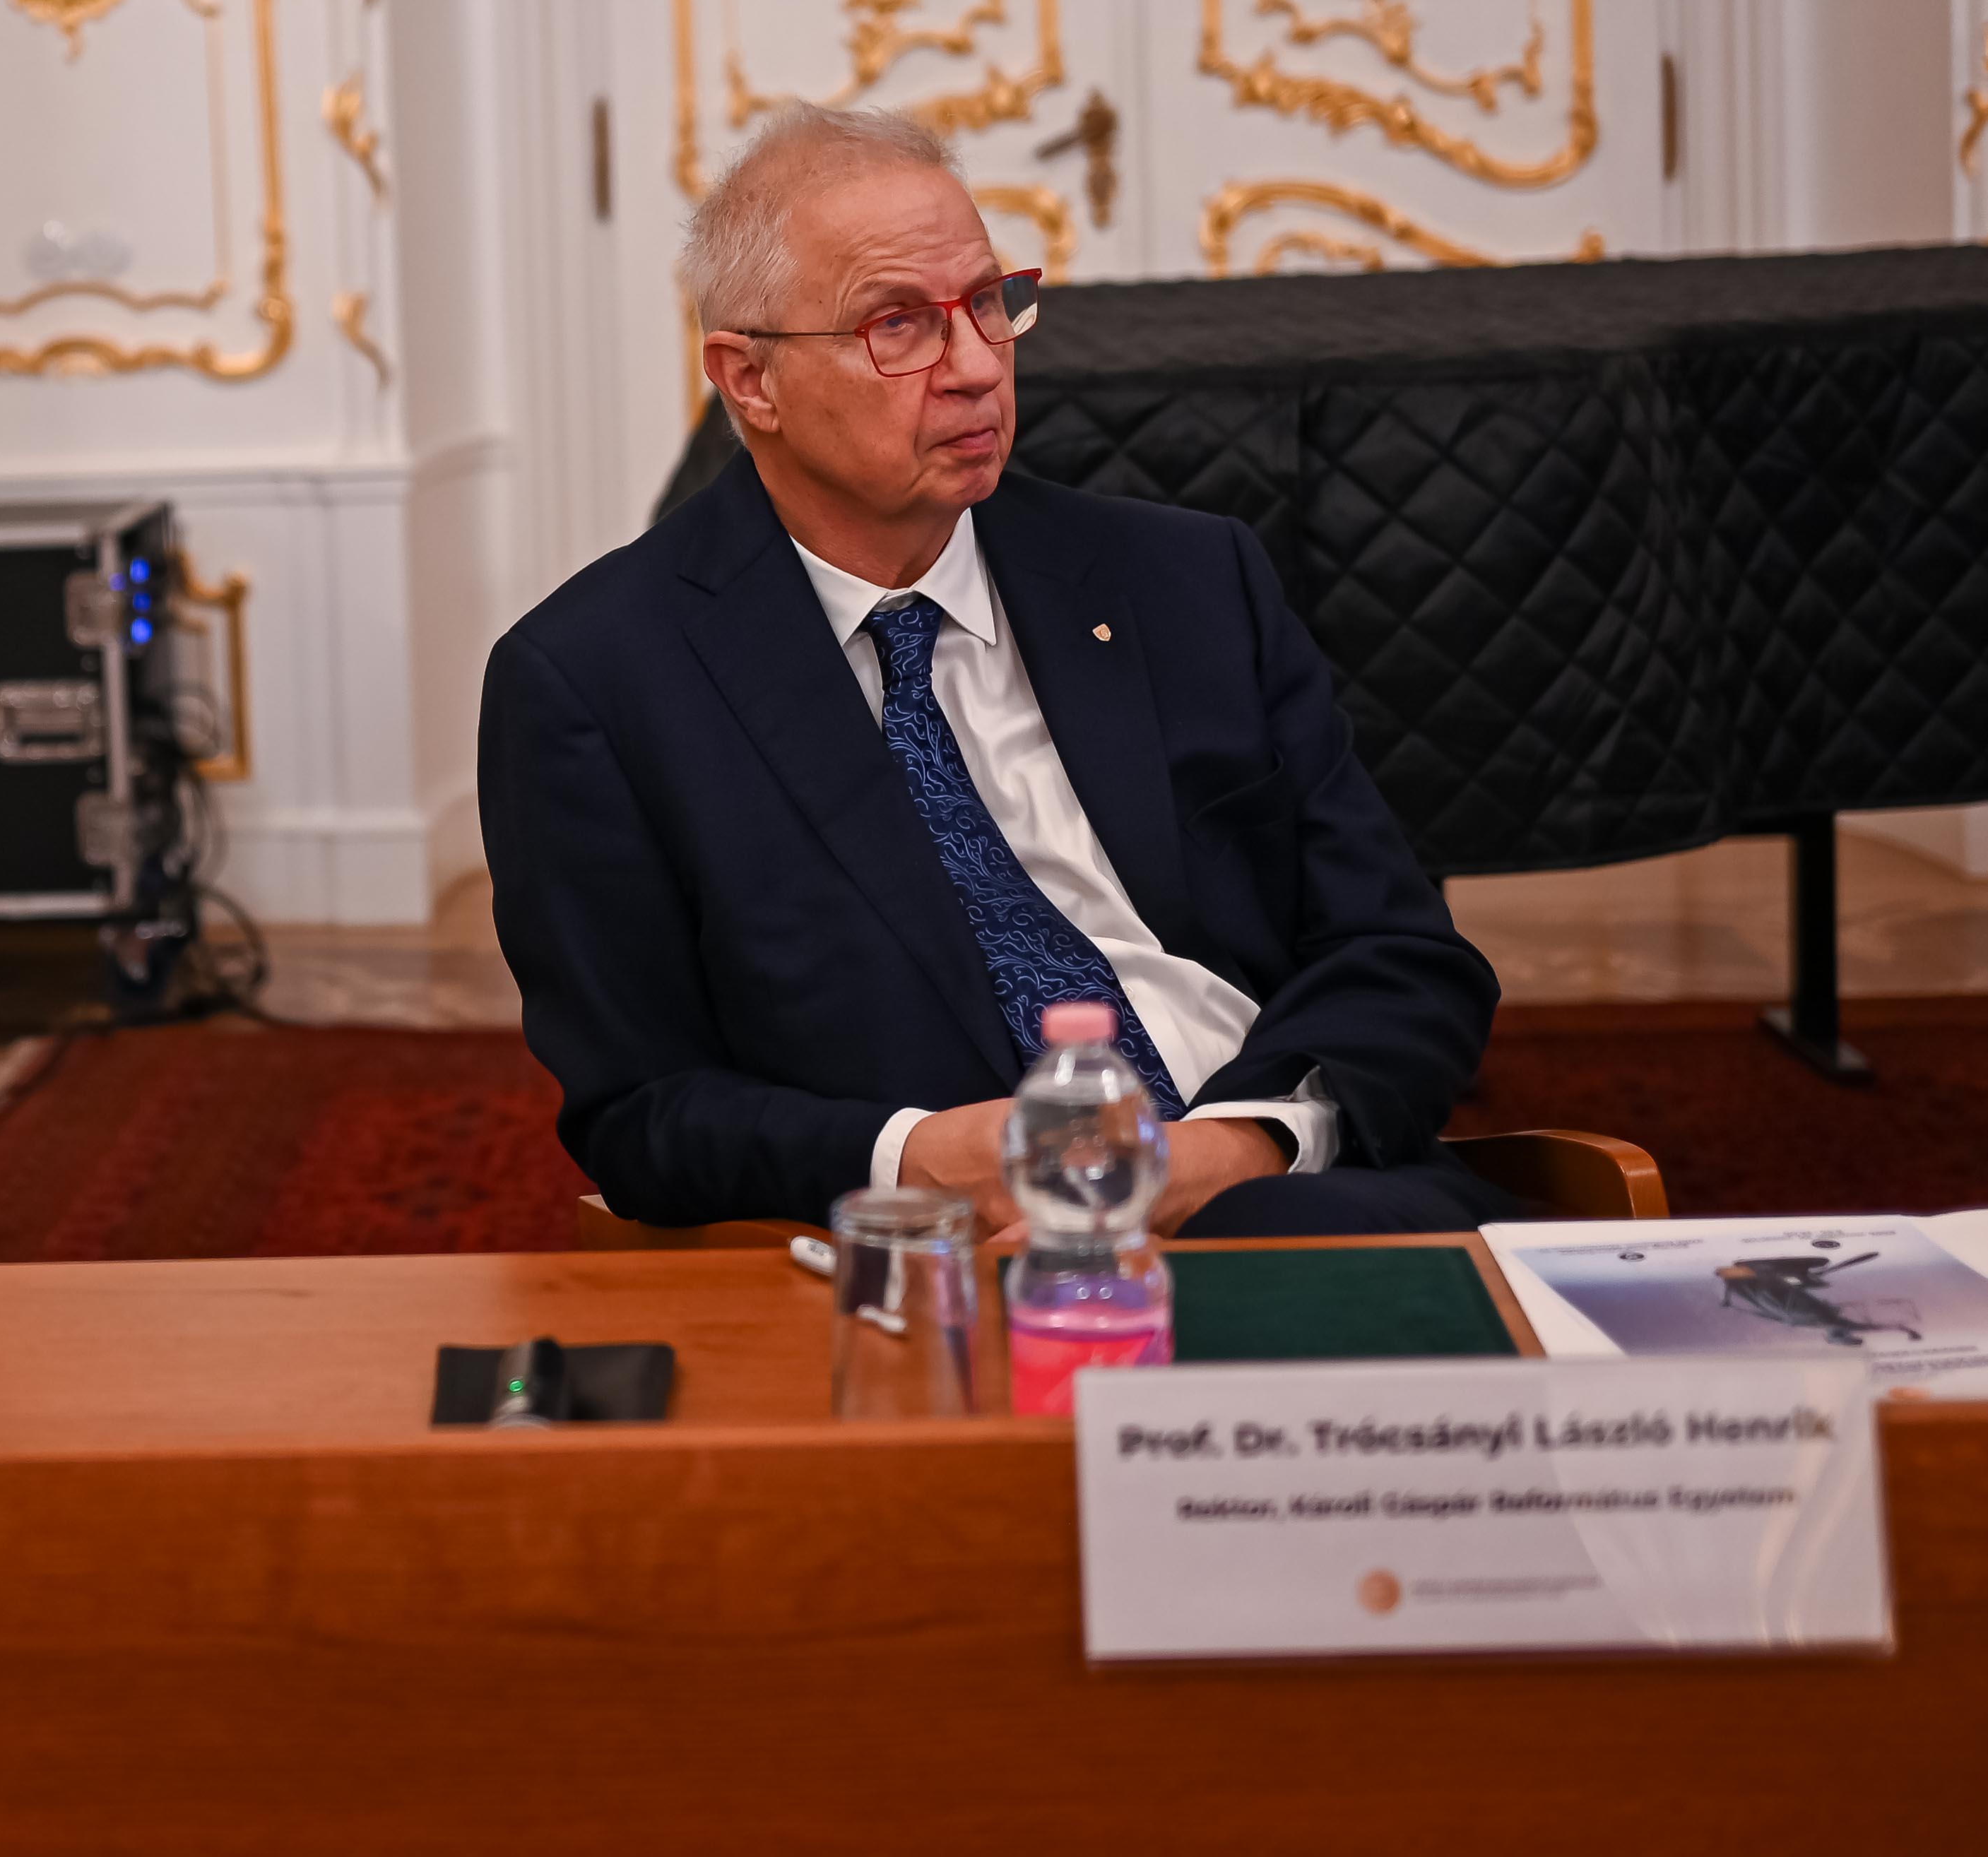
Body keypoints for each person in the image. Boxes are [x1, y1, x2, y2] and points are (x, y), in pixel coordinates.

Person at [480, 102, 1507, 1238]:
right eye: (898, 325)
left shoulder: (1185, 581)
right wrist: (913, 1156)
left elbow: (1402, 952)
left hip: (1298, 1197)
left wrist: (1238, 1149)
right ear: (749, 379)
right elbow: (643, 1112)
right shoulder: (594, 685)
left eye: (986, 304)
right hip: (951, 1261)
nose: (975, 366)